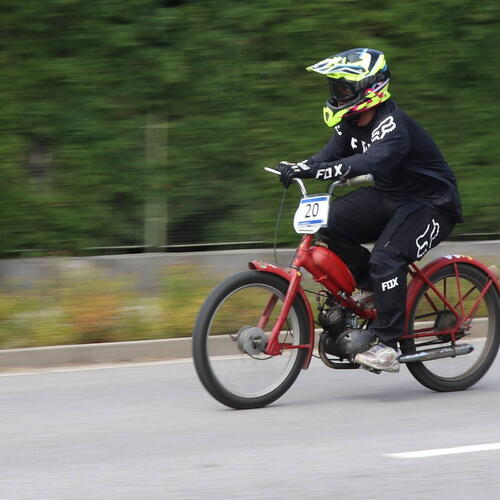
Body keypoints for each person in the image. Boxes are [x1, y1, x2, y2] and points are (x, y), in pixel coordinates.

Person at [276, 48, 462, 373]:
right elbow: (328, 155)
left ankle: (388, 344)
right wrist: (300, 167)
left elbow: (370, 161)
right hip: (390, 196)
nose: (338, 94)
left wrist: (324, 171)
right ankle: (371, 288)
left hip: (431, 205)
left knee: (386, 258)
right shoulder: (350, 122)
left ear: (370, 87)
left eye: (345, 88)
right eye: (336, 88)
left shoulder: (393, 125)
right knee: (327, 223)